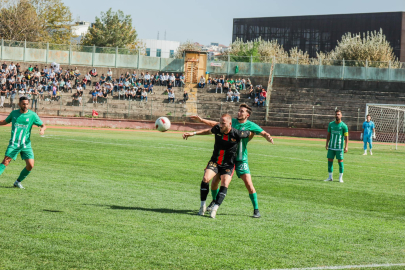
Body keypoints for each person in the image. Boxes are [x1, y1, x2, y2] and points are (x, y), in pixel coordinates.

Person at [191, 104, 274, 218]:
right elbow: (215, 124)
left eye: (242, 111)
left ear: (247, 115)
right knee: (215, 181)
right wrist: (201, 120)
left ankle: (256, 210)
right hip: (226, 158)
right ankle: (214, 201)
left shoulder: (251, 125)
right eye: (239, 111)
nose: (239, 113)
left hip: (240, 159)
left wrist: (268, 136)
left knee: (248, 183)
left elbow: (262, 132)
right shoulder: (232, 121)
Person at [182, 114, 251, 218]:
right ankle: (202, 206)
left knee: (225, 183)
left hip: (228, 164)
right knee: (205, 178)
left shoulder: (237, 133)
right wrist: (194, 133)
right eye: (220, 123)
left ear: (230, 124)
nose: (221, 125)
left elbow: (251, 133)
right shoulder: (217, 129)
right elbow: (208, 131)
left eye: (223, 123)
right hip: (215, 161)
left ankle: (215, 209)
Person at [0, 96, 46, 189]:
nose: (25, 106)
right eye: (23, 104)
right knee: (6, 161)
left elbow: (43, 125)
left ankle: (17, 182)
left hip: (26, 144)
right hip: (14, 143)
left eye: (27, 104)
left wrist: (43, 129)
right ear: (19, 104)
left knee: (30, 165)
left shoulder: (32, 115)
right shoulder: (14, 113)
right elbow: (5, 122)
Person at [324, 110, 349, 183]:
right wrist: (326, 144)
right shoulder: (331, 124)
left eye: (339, 114)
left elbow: (346, 137)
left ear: (341, 116)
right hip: (331, 146)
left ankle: (340, 178)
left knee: (340, 162)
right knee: (329, 162)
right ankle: (330, 177)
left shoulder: (344, 126)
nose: (337, 115)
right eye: (336, 114)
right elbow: (328, 134)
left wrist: (346, 146)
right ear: (335, 116)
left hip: (339, 147)